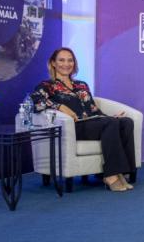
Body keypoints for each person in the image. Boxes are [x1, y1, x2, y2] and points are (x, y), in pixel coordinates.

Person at [31, 48, 136, 192]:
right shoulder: (47, 85)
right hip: (74, 127)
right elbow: (36, 102)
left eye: (70, 60)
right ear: (53, 63)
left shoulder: (82, 85)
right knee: (111, 123)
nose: (66, 64)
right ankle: (110, 175)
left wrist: (111, 118)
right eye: (61, 60)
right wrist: (60, 106)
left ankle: (125, 172)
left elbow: (93, 110)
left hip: (92, 123)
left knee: (125, 122)